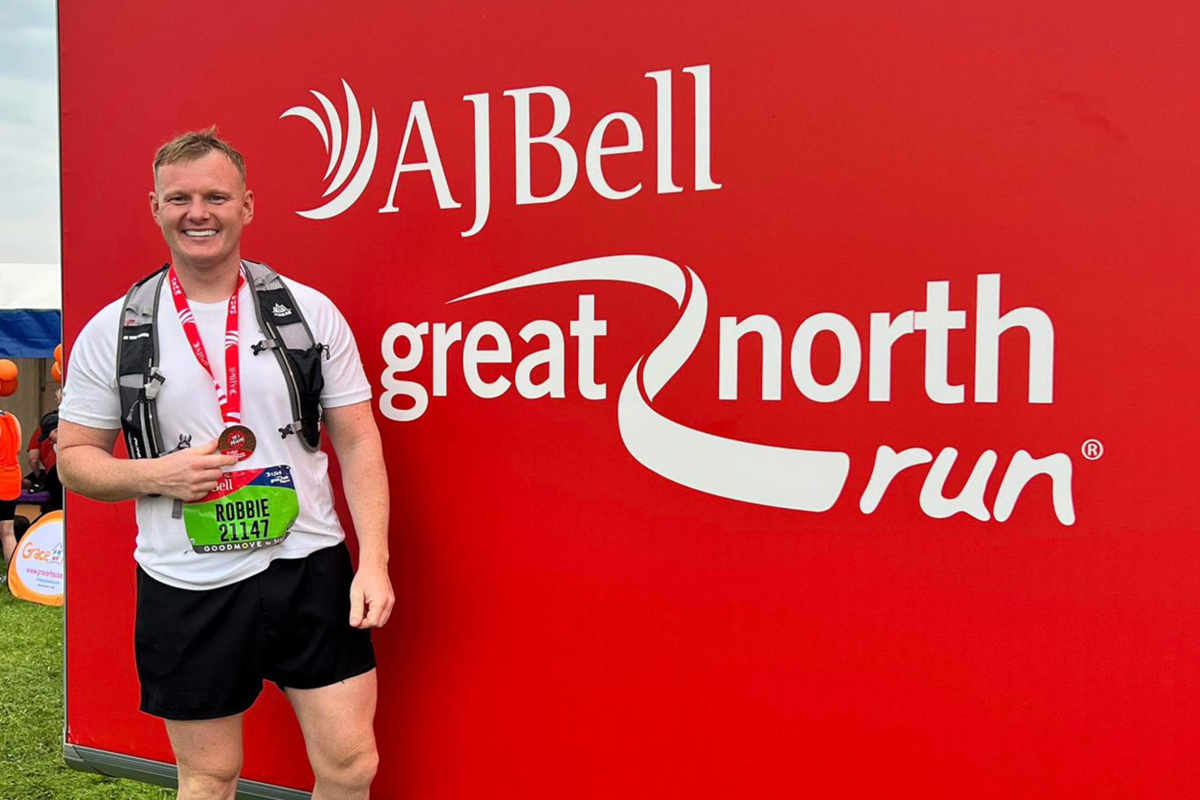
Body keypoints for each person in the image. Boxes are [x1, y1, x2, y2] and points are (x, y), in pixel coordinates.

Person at [58, 128, 393, 800]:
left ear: (247, 206)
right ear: (155, 207)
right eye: (179, 198)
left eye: (215, 197)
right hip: (186, 580)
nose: (197, 213)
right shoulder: (115, 329)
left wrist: (374, 561)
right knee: (209, 778)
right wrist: (158, 475)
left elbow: (359, 441)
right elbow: (73, 461)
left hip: (308, 565)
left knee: (350, 765)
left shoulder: (306, 313)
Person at [0, 406, 21, 570]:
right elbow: (18, 448)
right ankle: (12, 575)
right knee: (8, 532)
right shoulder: (11, 418)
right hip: (12, 479)